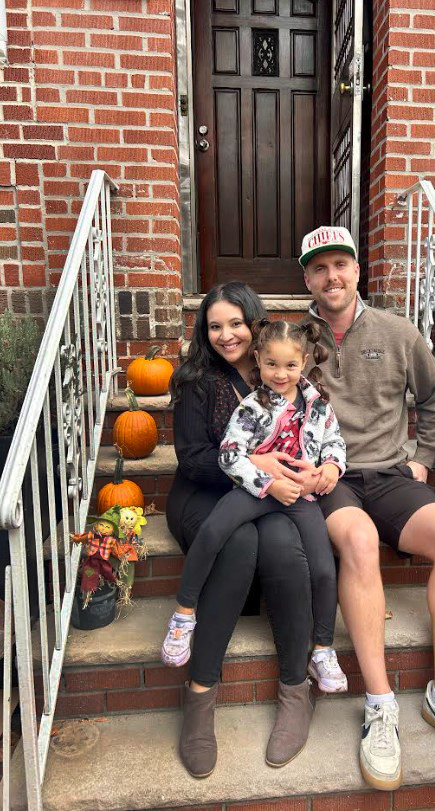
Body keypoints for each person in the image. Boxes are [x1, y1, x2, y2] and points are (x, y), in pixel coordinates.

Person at [297, 225, 435, 791]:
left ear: (357, 270)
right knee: (361, 541)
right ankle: (380, 704)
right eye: (319, 269)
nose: (332, 277)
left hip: (393, 475)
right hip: (332, 480)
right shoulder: (295, 339)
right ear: (307, 280)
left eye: (340, 264)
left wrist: (423, 456)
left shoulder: (397, 331)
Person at [165, 283, 317, 778]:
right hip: (203, 491)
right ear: (203, 331)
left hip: (263, 494)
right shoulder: (195, 380)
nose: (226, 335)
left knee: (282, 543)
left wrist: (312, 470)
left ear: (255, 324)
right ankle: (199, 696)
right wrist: (256, 465)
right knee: (240, 541)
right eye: (214, 325)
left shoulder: (278, 368)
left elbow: (313, 433)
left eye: (235, 323)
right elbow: (191, 459)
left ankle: (296, 690)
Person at [163, 318, 349, 698]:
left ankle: (324, 648)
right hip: (256, 491)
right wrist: (268, 484)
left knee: (324, 568)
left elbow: (334, 441)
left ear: (305, 361)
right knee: (214, 531)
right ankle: (184, 614)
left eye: (291, 366)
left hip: (300, 495)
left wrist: (331, 466)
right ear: (259, 361)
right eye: (271, 365)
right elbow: (231, 455)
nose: (281, 374)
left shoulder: (318, 404)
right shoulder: (251, 406)